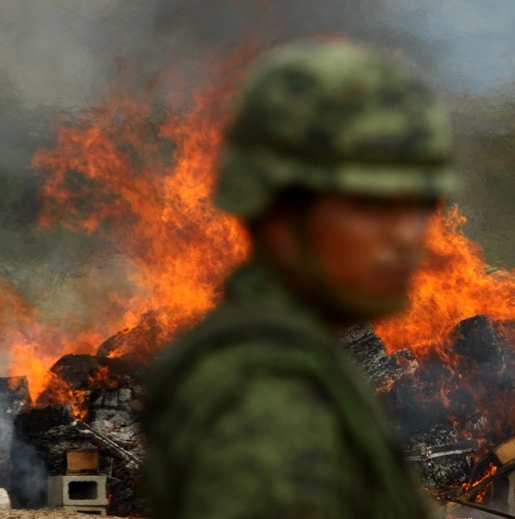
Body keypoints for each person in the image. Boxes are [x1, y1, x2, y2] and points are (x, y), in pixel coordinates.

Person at [142, 39, 456, 518]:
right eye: (370, 205)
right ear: (280, 217)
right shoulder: (263, 397)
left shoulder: (305, 364)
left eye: (420, 206)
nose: (408, 236)